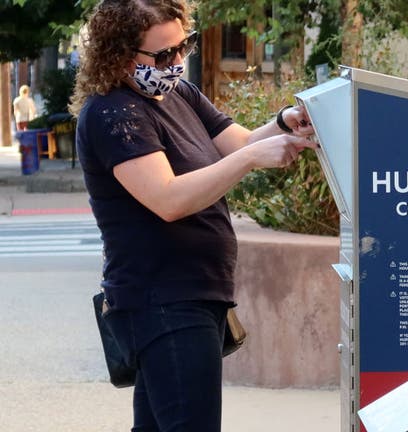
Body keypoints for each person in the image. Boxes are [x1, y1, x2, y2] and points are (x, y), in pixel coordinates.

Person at [69, 1, 316, 431]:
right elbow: (168, 199)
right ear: (121, 54)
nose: (178, 61)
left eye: (184, 46)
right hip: (162, 299)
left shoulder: (176, 92)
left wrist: (282, 124)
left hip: (192, 293)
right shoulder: (113, 112)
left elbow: (237, 143)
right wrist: (254, 159)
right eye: (163, 55)